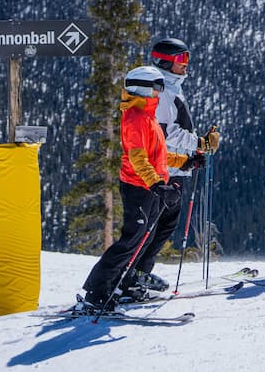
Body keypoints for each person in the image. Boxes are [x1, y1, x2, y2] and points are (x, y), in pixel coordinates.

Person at [78, 65, 201, 312]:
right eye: (156, 87)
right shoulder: (135, 118)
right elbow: (138, 159)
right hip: (139, 187)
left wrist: (186, 162)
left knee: (142, 240)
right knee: (131, 240)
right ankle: (96, 292)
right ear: (142, 88)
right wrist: (156, 184)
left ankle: (120, 286)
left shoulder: (148, 117)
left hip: (149, 186)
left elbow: (159, 155)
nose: (159, 92)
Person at [148, 38, 218, 254]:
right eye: (181, 58)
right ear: (165, 62)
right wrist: (199, 143)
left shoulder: (172, 88)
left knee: (164, 226)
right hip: (165, 171)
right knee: (156, 226)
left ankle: (140, 273)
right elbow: (166, 134)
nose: (186, 63)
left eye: (187, 57)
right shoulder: (163, 92)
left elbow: (177, 127)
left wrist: (193, 154)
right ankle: (134, 275)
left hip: (176, 167)